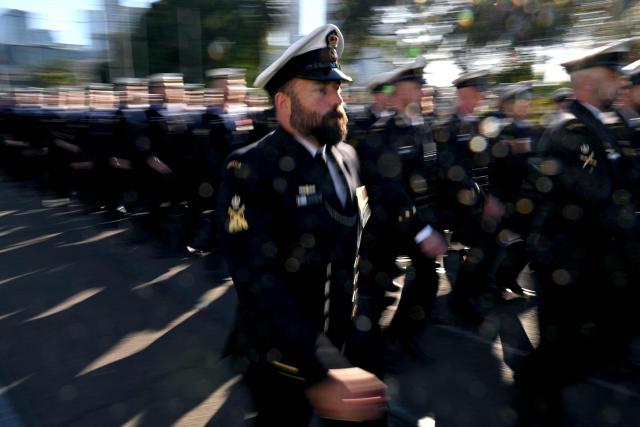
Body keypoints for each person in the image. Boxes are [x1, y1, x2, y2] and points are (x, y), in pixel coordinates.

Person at [217, 24, 387, 426]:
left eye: (338, 90)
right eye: (321, 91)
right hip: (281, 357)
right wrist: (323, 368)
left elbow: (358, 246)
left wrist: (364, 330)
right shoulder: (251, 167)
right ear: (283, 102)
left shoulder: (346, 156)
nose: (337, 101)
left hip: (345, 344)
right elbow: (259, 282)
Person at [514, 40, 640, 427]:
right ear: (587, 82)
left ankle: (536, 401)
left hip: (585, 258)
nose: (619, 83)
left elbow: (621, 181)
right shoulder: (570, 130)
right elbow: (598, 198)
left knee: (576, 345)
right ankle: (531, 407)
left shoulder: (596, 127)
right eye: (612, 75)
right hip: (564, 261)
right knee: (561, 347)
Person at [347, 57, 449, 376]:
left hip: (418, 222)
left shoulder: (423, 126)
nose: (422, 90)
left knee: (427, 280)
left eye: (422, 84)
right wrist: (422, 231)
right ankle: (360, 357)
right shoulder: (384, 131)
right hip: (385, 226)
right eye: (415, 85)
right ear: (399, 90)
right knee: (374, 292)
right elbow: (389, 188)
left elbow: (431, 178)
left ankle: (404, 337)